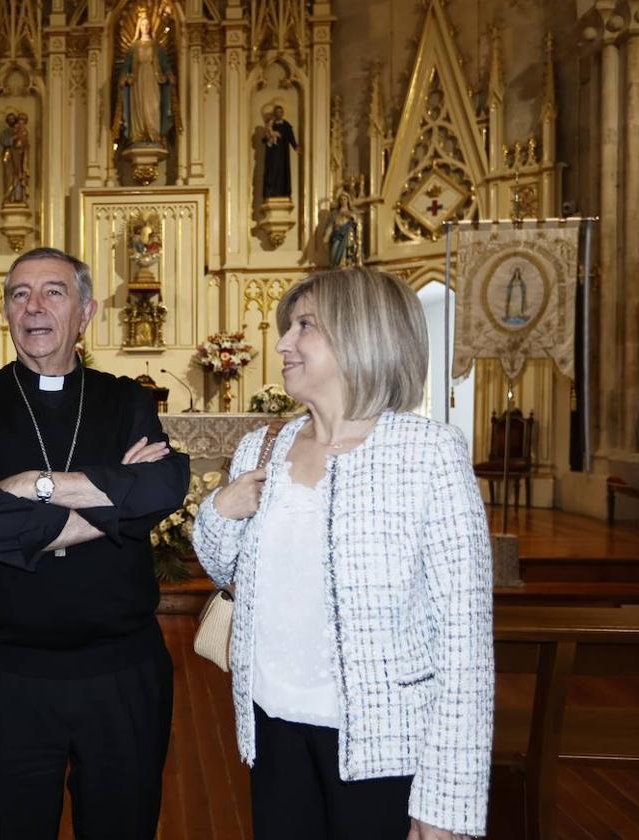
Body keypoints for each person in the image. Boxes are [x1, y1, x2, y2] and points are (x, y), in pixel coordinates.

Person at [192, 267, 492, 840]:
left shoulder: (428, 454)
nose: (282, 342)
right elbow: (223, 570)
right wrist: (220, 512)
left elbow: (465, 645)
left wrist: (446, 805)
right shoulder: (264, 445)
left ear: (361, 335)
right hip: (272, 724)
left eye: (304, 326)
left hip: (384, 742)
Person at [0, 247, 190, 839]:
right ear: (4, 312)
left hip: (121, 670)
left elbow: (164, 483)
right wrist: (113, 509)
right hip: (3, 676)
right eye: (19, 294)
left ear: (86, 312)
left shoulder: (126, 400)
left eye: (53, 292)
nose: (34, 307)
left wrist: (34, 487)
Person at [114, 10, 177, 147]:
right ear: (139, 27)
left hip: (153, 80)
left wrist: (169, 74)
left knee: (153, 105)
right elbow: (126, 66)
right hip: (137, 81)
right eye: (143, 25)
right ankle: (138, 134)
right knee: (139, 108)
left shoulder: (156, 47)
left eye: (147, 25)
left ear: (150, 27)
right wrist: (123, 77)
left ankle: (154, 134)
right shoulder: (133, 47)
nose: (145, 27)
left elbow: (165, 63)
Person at [261, 104, 298, 199]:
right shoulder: (271, 124)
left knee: (282, 173)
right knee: (272, 173)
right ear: (274, 113)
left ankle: (283, 193)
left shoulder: (286, 125)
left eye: (280, 112)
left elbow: (291, 138)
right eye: (276, 112)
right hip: (272, 154)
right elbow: (264, 139)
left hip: (283, 155)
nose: (278, 114)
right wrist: (269, 137)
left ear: (283, 113)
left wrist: (296, 147)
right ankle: (271, 193)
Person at [323, 191, 362, 267]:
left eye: (345, 199)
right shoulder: (335, 214)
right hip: (337, 235)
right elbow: (331, 226)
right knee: (334, 252)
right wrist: (327, 236)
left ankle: (346, 264)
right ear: (339, 201)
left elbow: (357, 224)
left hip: (347, 235)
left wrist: (351, 216)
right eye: (341, 199)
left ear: (348, 200)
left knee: (347, 253)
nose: (343, 201)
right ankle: (336, 265)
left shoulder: (352, 212)